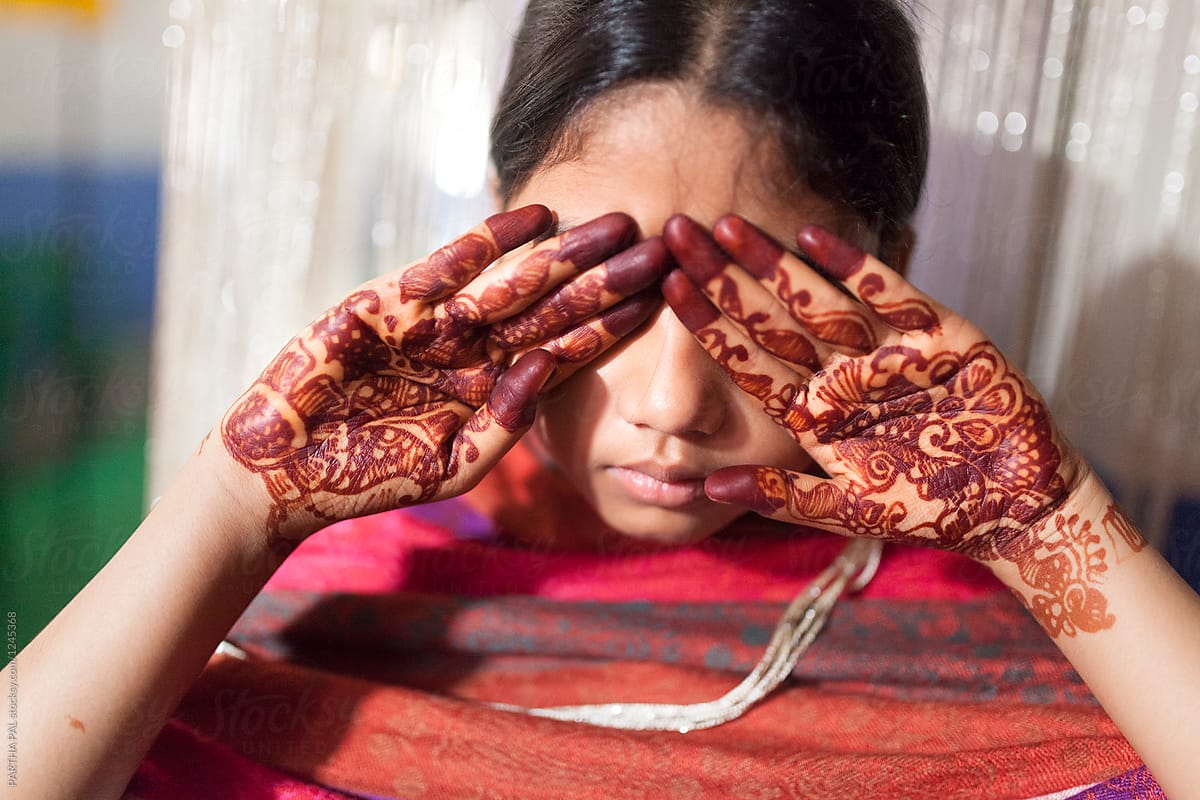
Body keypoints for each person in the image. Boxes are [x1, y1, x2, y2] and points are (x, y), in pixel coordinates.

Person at [10, 0, 1200, 797]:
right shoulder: (334, 583)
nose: (674, 400)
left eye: (743, 306)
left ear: (891, 266)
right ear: (492, 235)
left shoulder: (1013, 625)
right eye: (612, 293)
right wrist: (228, 502)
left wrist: (1051, 527)